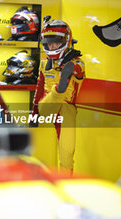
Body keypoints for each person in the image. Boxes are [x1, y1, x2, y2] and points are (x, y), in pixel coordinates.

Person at [32, 19, 85, 174]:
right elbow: (39, 87)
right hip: (47, 108)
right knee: (43, 108)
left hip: (66, 111)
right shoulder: (43, 63)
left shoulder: (77, 61)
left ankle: (65, 182)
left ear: (66, 41)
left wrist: (71, 68)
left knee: (67, 154)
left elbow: (80, 71)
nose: (52, 46)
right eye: (48, 43)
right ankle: (58, 91)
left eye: (55, 43)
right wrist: (33, 113)